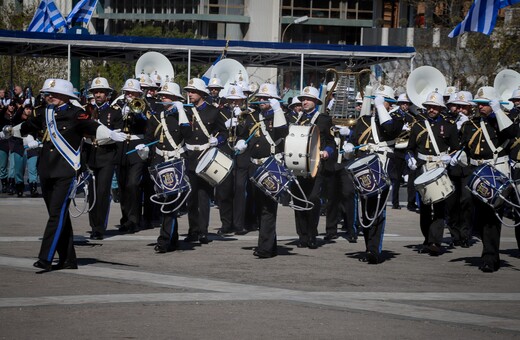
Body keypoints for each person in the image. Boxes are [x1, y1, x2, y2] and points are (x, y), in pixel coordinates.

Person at [12, 78, 126, 271]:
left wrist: (110, 133)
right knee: (59, 215)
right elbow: (27, 126)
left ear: (65, 96)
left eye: (53, 94)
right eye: (48, 94)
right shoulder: (44, 112)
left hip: (65, 171)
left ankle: (46, 257)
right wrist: (9, 132)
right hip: (47, 170)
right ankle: (68, 259)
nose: (49, 97)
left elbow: (91, 126)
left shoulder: (76, 114)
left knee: (56, 214)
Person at [343, 85, 404, 264]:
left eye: (383, 101)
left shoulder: (397, 118)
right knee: (366, 211)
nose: (379, 104)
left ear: (389, 105)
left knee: (378, 209)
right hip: (364, 170)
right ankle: (368, 245)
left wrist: (379, 107)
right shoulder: (364, 120)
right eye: (378, 101)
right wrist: (347, 146)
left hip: (382, 168)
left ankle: (374, 249)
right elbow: (353, 142)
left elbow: (390, 130)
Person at [452, 86, 511, 272]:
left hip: (495, 171)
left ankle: (490, 257)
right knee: (473, 210)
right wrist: (458, 157)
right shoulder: (471, 124)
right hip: (477, 171)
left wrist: (499, 111)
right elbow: (465, 148)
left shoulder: (501, 122)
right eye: (479, 104)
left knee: (491, 217)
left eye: (485, 104)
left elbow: (512, 134)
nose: (481, 108)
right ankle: (489, 251)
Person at [136, 82, 192, 253]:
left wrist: (181, 111)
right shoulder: (156, 115)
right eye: (162, 95)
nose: (163, 98)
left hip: (176, 161)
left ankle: (164, 240)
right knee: (166, 200)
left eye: (167, 95)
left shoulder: (185, 115)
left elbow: (187, 135)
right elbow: (148, 135)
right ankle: (173, 240)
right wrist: (144, 147)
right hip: (160, 160)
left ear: (176, 98)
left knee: (171, 202)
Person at [234, 83, 288, 258]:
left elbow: (283, 134)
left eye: (266, 98)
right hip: (255, 166)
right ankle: (269, 244)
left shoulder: (280, 116)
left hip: (271, 165)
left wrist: (277, 110)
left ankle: (265, 248)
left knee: (268, 208)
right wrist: (240, 143)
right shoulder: (252, 116)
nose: (262, 101)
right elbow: (243, 134)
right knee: (259, 207)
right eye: (261, 99)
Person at [405, 91, 459, 255]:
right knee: (425, 206)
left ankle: (436, 241)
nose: (431, 109)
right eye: (429, 106)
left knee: (440, 204)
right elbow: (410, 148)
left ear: (440, 108)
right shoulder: (418, 125)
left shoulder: (449, 125)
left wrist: (452, 158)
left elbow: (456, 147)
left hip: (439, 166)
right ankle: (427, 239)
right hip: (422, 167)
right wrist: (410, 159)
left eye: (435, 107)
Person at [289, 86, 335, 248]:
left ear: (316, 101)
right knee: (299, 200)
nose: (305, 102)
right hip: (297, 166)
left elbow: (331, 142)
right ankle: (302, 235)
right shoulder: (295, 119)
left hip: (315, 166)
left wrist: (327, 152)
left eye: (308, 99)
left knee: (313, 199)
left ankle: (311, 234)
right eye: (303, 99)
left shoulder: (323, 119)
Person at [183, 78, 227, 244]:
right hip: (189, 157)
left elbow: (224, 133)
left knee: (203, 197)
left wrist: (218, 140)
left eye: (193, 91)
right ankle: (192, 230)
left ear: (202, 94)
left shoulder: (213, 112)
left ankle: (203, 231)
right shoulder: (186, 112)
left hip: (205, 156)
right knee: (191, 197)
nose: (190, 94)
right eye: (188, 91)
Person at [84, 77, 123, 240]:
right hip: (90, 155)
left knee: (102, 192)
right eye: (95, 92)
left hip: (106, 155)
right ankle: (93, 225)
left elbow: (118, 134)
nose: (98, 95)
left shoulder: (114, 111)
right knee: (91, 194)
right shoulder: (86, 111)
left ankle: (100, 227)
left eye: (101, 92)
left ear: (107, 94)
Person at [115, 79, 150, 234]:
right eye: (127, 92)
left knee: (133, 184)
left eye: (132, 92)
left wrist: (136, 112)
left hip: (137, 148)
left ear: (138, 93)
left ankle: (134, 220)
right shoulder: (118, 106)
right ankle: (125, 219)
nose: (129, 95)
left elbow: (147, 123)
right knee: (122, 185)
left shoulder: (144, 105)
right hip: (122, 148)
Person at [215, 84, 250, 235]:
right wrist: (225, 125)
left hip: (241, 154)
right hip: (225, 152)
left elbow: (247, 131)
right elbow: (216, 131)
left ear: (242, 100)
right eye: (231, 100)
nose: (234, 103)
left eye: (237, 100)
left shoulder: (248, 114)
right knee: (224, 190)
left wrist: (239, 119)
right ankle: (226, 223)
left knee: (240, 188)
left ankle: (238, 224)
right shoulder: (220, 113)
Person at [444, 91, 474, 248]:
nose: (461, 110)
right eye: (458, 106)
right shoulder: (450, 122)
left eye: (464, 107)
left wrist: (466, 124)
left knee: (467, 201)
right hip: (452, 166)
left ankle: (465, 234)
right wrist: (456, 126)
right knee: (451, 202)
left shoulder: (475, 123)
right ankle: (454, 233)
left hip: (467, 167)